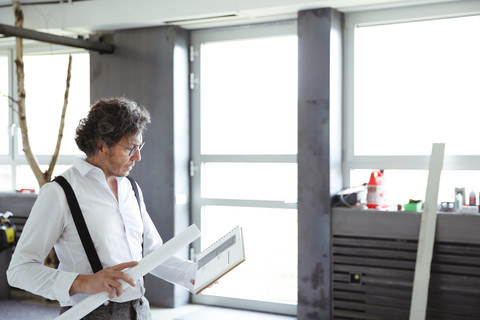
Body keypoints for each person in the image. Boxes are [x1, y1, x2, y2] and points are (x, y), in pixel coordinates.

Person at [7, 97, 196, 319]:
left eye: (139, 146)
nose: (138, 156)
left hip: (140, 311)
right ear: (101, 145)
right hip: (89, 314)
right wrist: (84, 282)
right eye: (130, 148)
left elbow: (152, 254)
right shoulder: (60, 192)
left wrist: (195, 273)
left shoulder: (131, 188)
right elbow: (19, 271)